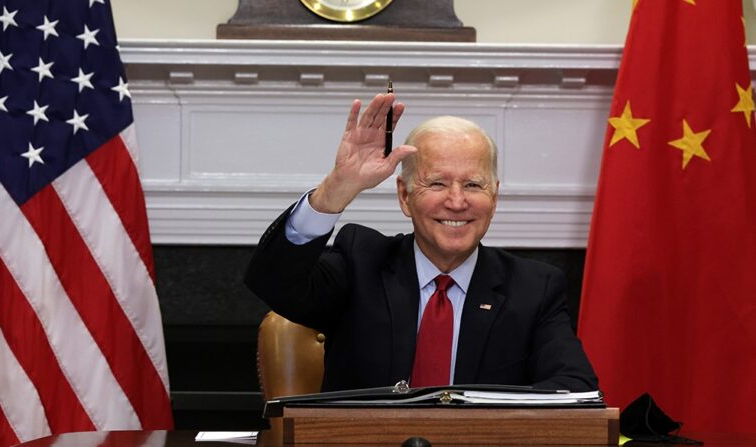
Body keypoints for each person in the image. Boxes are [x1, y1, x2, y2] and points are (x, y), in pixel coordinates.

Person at [244, 92, 597, 392]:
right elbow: (272, 282)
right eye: (438, 184)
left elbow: (575, 389)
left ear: (495, 196)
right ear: (404, 196)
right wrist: (335, 189)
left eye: (473, 185)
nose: (457, 202)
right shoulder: (361, 262)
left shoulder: (534, 289)